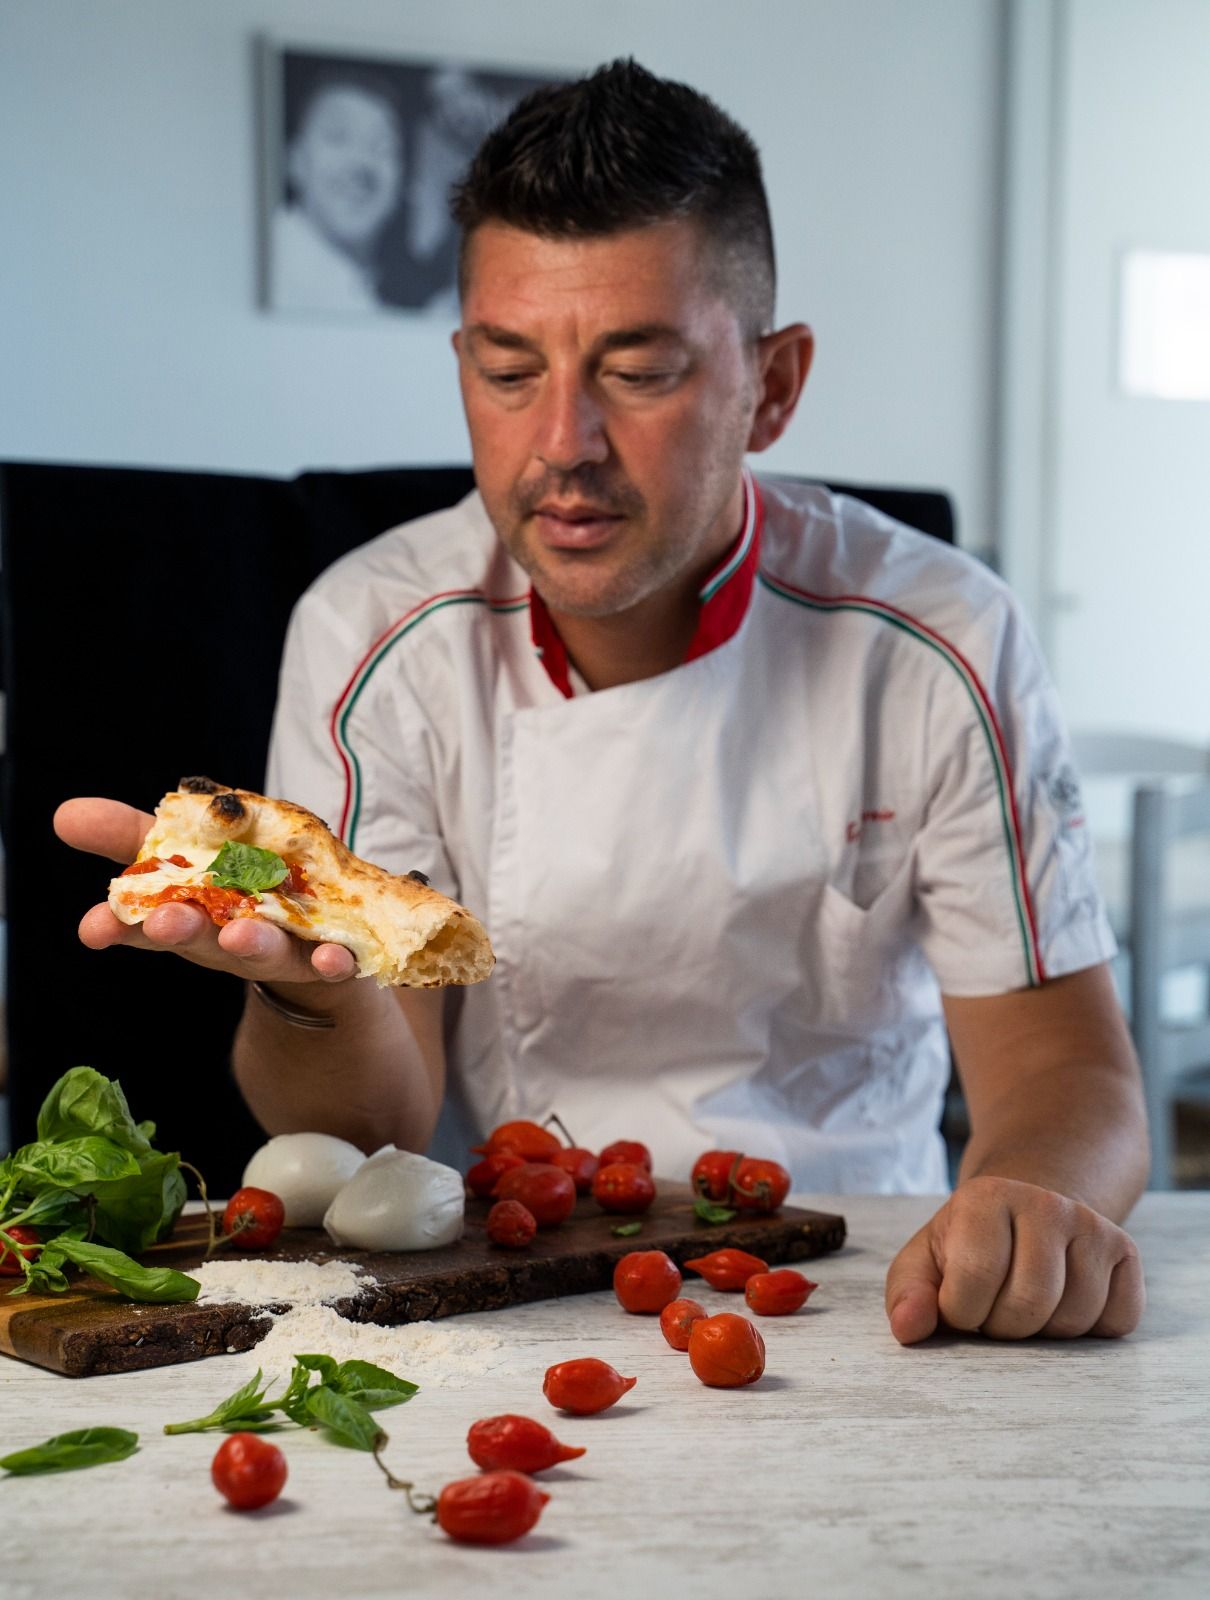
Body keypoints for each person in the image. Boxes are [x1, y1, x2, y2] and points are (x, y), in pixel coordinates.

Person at [57, 60, 1149, 1347]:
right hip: (520, 1281)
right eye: (509, 370)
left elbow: (1066, 1066)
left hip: (870, 1278)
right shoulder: (371, 636)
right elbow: (369, 1129)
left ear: (772, 386)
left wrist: (1028, 1201)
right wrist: (310, 988)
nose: (563, 441)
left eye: (637, 372)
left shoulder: (942, 635)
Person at [270, 66, 405, 314]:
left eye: (381, 146)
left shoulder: (373, 296)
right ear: (294, 159)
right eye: (338, 137)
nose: (361, 162)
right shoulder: (269, 266)